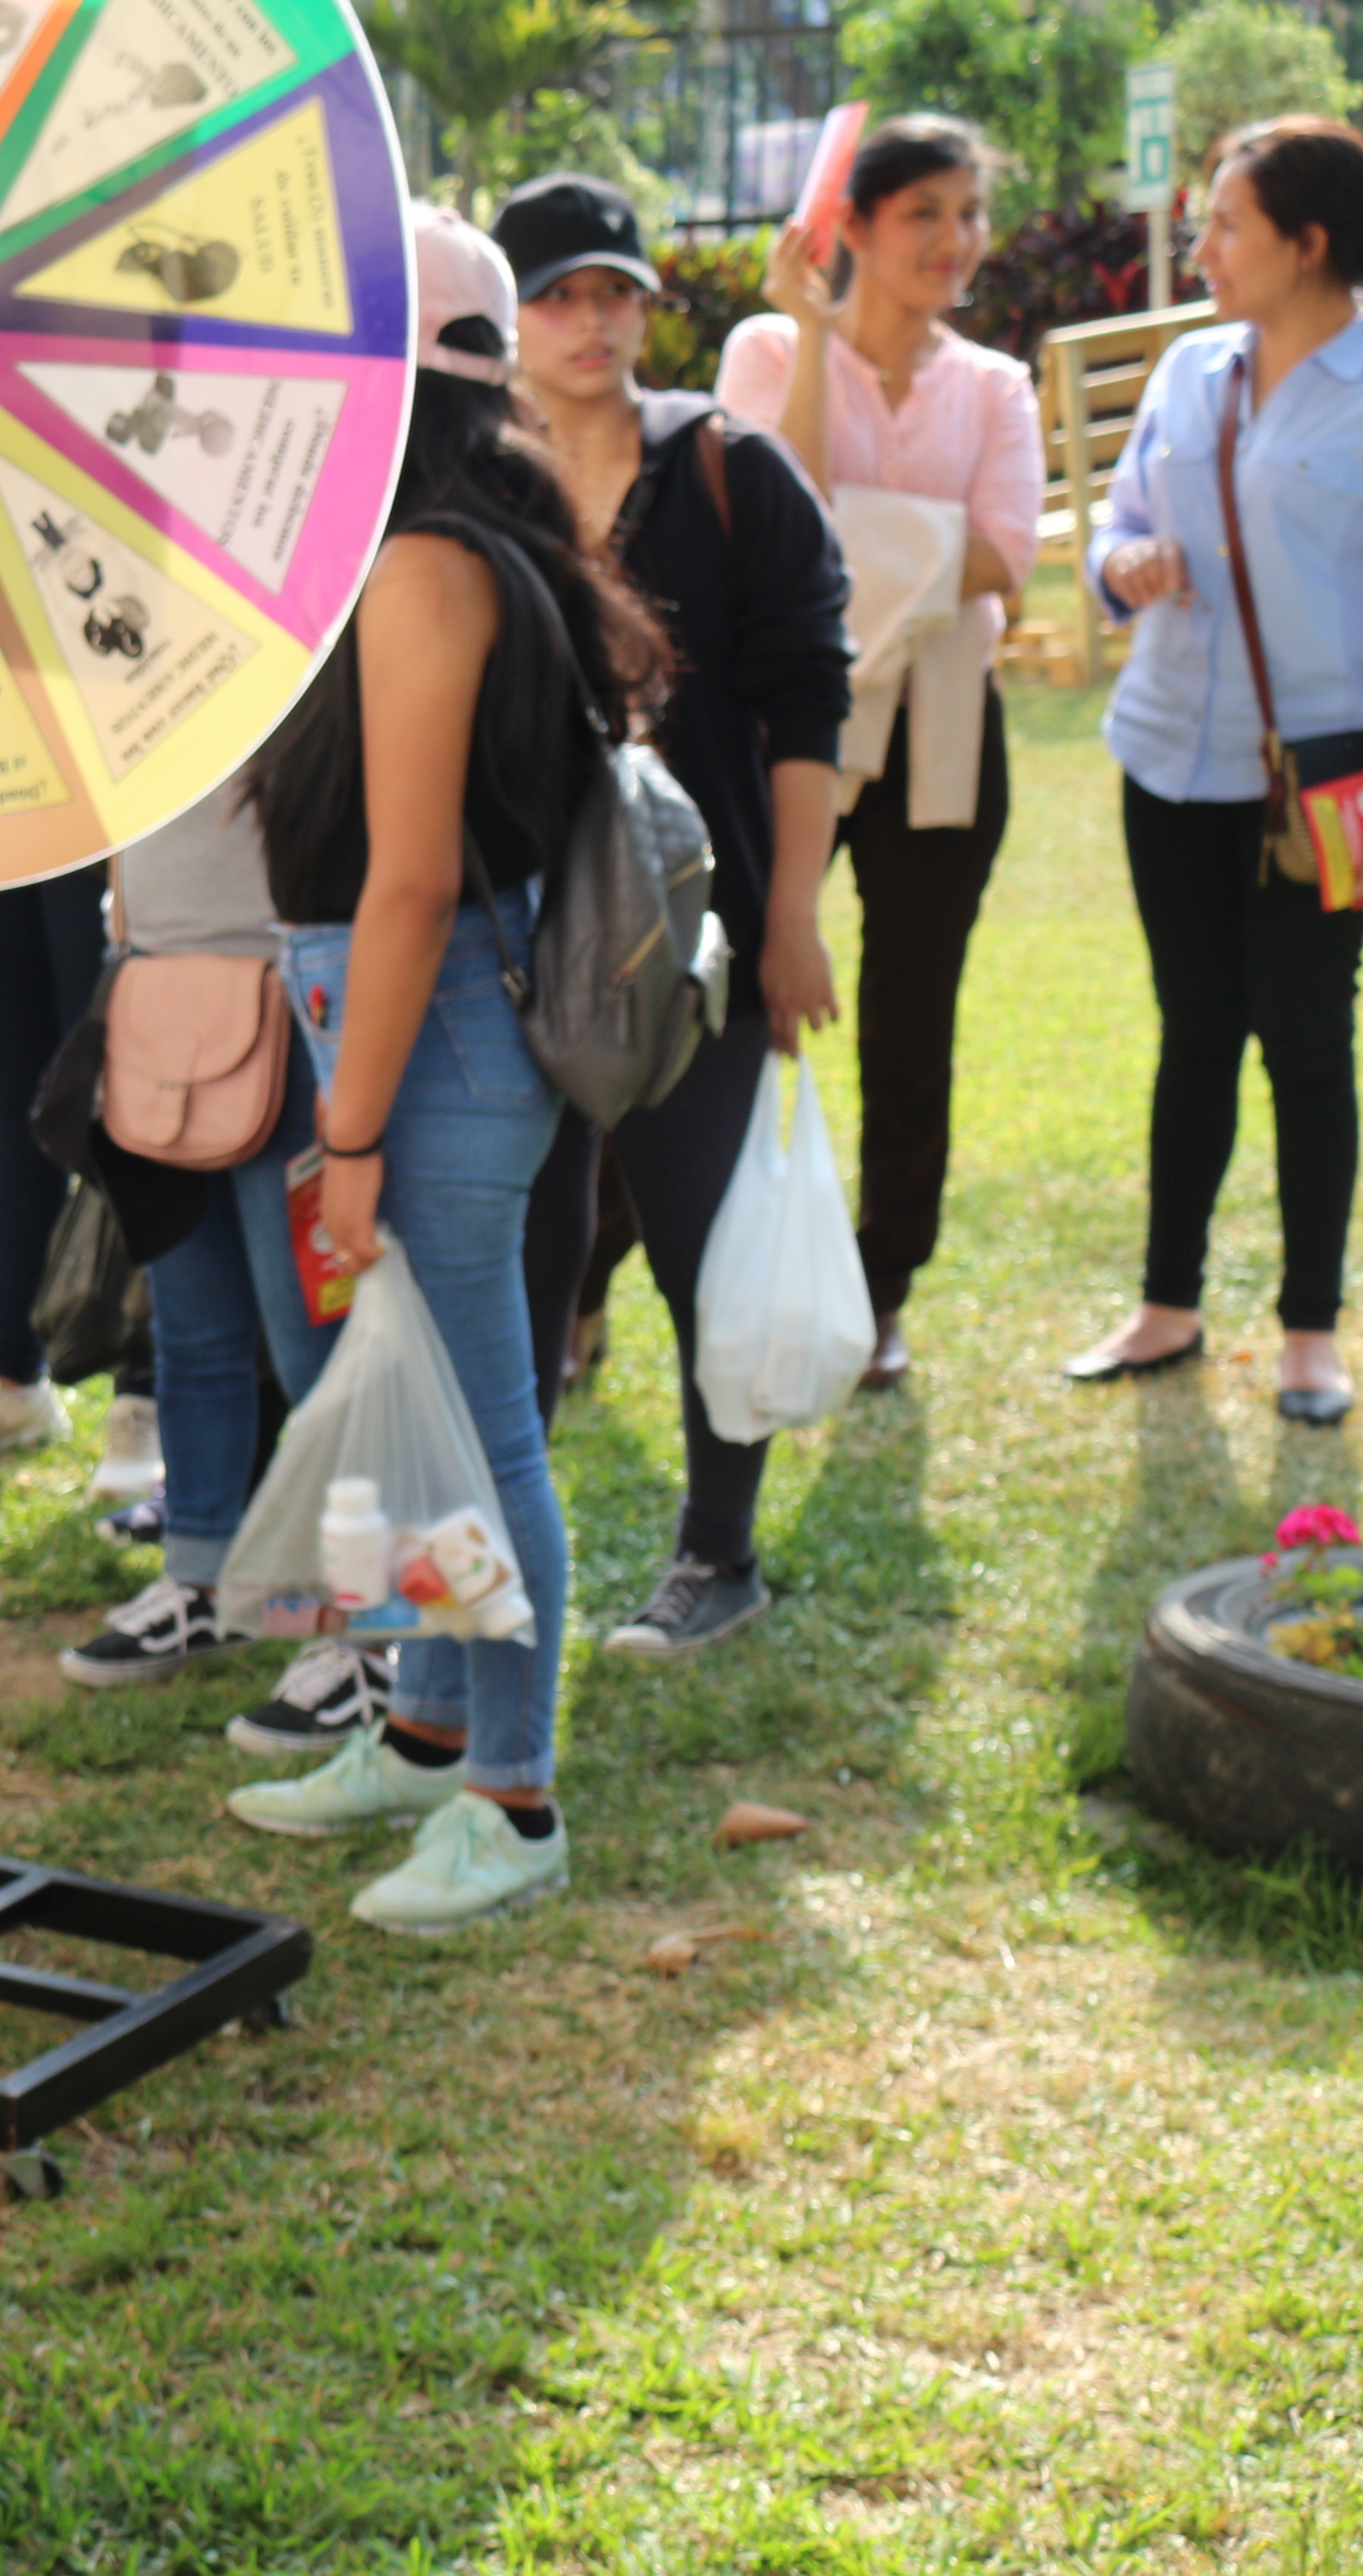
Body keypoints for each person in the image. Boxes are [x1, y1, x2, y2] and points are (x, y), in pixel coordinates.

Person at [213, 206, 662, 1933]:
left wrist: (342, 1134)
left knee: (482, 1429)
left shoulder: (423, 567)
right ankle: (419, 1728)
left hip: (427, 1034)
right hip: (421, 1019)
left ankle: (510, 1793)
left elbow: (405, 881)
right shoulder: (474, 543)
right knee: (415, 1404)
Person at [500, 174, 856, 1654]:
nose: (592, 322)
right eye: (559, 295)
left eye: (614, 294)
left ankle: (721, 1554)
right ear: (506, 318)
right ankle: (494, 1556)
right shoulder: (470, 482)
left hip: (693, 941)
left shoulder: (730, 469)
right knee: (518, 1245)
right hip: (508, 934)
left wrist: (791, 919)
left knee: (708, 1238)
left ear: (650, 307)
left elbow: (807, 704)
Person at [720, 113, 1044, 1389]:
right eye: (924, 215)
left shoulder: (992, 387)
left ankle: (881, 1280)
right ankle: (652, 1259)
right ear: (845, 226)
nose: (955, 242)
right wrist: (808, 334)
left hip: (943, 729)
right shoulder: (761, 351)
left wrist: (848, 550)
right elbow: (770, 520)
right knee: (736, 989)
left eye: (967, 215)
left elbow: (1000, 561)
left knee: (912, 1016)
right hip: (788, 723)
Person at [1070, 119, 1363, 1420]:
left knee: (1305, 1041)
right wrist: (1117, 563)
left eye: (1224, 224)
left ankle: (1309, 1332)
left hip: (1320, 778)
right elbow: (1118, 514)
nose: (1198, 247)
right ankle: (1164, 1306)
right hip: (1164, 755)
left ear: (1306, 245)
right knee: (1191, 1034)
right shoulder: (1189, 369)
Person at [51, 776, 371, 1752]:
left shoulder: (304, 641)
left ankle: (361, 1624)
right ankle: (203, 1577)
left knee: (314, 1344)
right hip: (157, 1001)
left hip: (295, 998)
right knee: (192, 1329)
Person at [0, 871, 163, 1494]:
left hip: (109, 819)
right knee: (20, 1124)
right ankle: (13, 1379)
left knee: (121, 1113)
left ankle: (142, 1397)